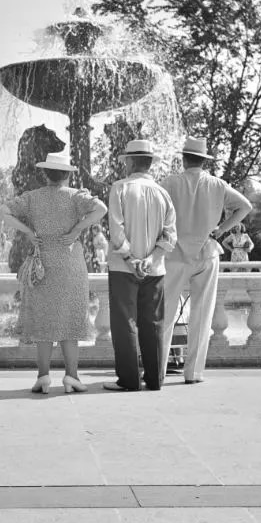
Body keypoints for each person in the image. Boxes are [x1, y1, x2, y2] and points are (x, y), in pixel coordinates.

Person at [2, 151, 107, 394]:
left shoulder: (32, 198)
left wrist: (27, 231)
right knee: (70, 320)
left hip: (42, 261)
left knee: (43, 321)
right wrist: (77, 229)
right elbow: (100, 208)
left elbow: (3, 211)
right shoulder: (75, 196)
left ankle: (43, 377)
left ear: (45, 173)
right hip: (70, 261)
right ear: (67, 175)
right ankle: (72, 377)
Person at [159, 137, 253, 385]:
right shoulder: (218, 185)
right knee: (202, 313)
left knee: (165, 313)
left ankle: (157, 370)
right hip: (207, 252)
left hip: (175, 253)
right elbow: (245, 207)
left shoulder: (169, 183)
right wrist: (221, 230)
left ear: (184, 158)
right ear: (204, 160)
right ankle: (194, 373)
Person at [103, 140, 177, 392]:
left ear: (131, 162)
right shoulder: (163, 193)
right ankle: (155, 379)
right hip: (154, 270)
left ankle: (129, 380)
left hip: (124, 269)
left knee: (125, 324)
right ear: (149, 164)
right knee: (153, 323)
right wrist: (152, 258)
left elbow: (116, 229)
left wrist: (130, 259)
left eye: (126, 161)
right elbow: (169, 236)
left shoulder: (119, 188)